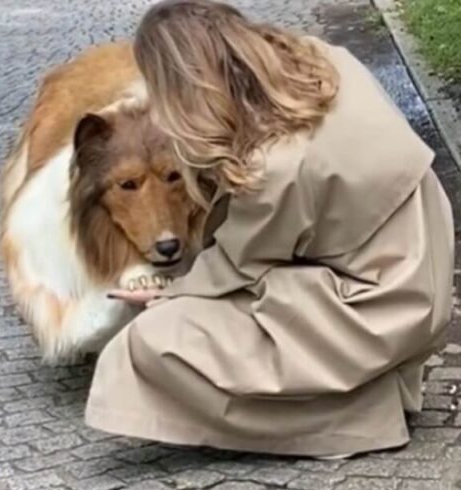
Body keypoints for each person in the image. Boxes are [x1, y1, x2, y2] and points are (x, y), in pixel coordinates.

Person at [88, 0, 455, 459]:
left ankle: (355, 416)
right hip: (418, 256)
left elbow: (237, 267)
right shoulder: (319, 59)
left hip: (381, 302)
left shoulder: (272, 168)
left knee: (152, 341)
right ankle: (363, 389)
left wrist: (170, 292)